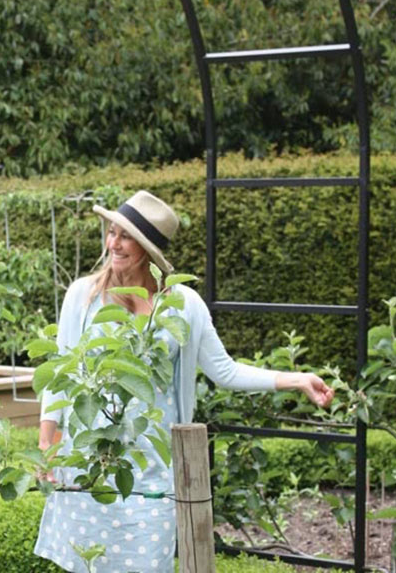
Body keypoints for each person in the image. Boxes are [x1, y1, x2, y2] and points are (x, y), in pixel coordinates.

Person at [34, 190, 333, 573]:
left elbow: (224, 371)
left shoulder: (184, 305)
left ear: (147, 249)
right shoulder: (84, 296)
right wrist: (46, 442)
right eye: (112, 233)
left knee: (149, 564)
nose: (114, 244)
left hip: (154, 470)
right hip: (91, 464)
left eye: (126, 237)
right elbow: (61, 373)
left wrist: (296, 379)